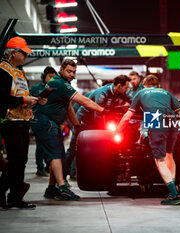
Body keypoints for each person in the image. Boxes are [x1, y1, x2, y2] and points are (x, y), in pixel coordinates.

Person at [31, 59, 107, 201]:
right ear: (61, 69)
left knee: (58, 154)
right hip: (45, 122)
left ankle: (51, 188)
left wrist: (77, 125)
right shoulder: (59, 83)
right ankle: (62, 188)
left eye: (74, 72)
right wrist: (104, 111)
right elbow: (84, 101)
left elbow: (69, 108)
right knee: (55, 155)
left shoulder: (63, 83)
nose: (72, 74)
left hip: (49, 122)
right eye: (69, 71)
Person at [116, 74, 180, 205]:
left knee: (160, 160)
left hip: (155, 120)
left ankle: (174, 194)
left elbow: (127, 116)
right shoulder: (166, 92)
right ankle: (172, 190)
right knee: (169, 155)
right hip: (173, 122)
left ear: (144, 86)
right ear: (158, 86)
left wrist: (117, 131)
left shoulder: (141, 93)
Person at [0, 37, 45, 209]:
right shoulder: (2, 71)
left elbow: (21, 95)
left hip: (22, 120)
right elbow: (3, 98)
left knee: (22, 159)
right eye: (24, 53)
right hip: (9, 120)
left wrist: (33, 101)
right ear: (13, 53)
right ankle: (2, 190)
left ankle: (15, 197)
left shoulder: (19, 71)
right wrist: (23, 99)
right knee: (16, 158)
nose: (26, 56)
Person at [63, 75, 131, 183]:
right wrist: (106, 133)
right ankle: (62, 177)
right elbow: (98, 116)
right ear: (119, 86)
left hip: (93, 121)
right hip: (83, 121)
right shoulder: (102, 94)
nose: (127, 90)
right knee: (74, 148)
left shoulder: (119, 92)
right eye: (126, 87)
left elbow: (132, 101)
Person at [30, 66, 58, 177]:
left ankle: (47, 166)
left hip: (50, 120)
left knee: (49, 145)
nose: (52, 79)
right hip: (38, 119)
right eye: (50, 76)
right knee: (40, 145)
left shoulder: (55, 89)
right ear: (44, 76)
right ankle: (40, 168)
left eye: (54, 77)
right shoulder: (35, 88)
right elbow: (29, 104)